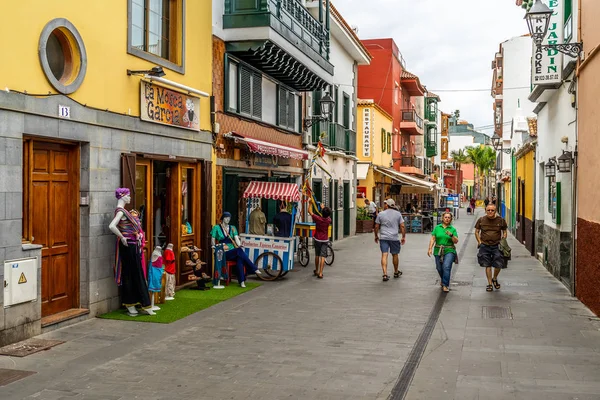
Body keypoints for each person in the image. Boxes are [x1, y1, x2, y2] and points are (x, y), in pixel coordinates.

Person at [108, 188, 154, 316]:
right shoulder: (121, 212)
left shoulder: (124, 212)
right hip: (128, 245)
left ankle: (139, 303)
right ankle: (135, 304)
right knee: (132, 274)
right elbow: (111, 226)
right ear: (122, 196)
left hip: (132, 245)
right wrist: (122, 237)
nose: (130, 198)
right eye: (127, 195)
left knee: (134, 273)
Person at [211, 212, 261, 288]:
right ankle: (253, 268)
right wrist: (214, 246)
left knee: (240, 258)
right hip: (223, 252)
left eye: (229, 218)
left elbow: (236, 238)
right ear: (222, 218)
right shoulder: (216, 228)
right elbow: (213, 239)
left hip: (233, 251)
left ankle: (242, 281)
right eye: (226, 217)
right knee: (239, 251)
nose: (228, 219)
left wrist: (239, 244)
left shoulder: (233, 228)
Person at [475, 203, 508, 292]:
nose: (490, 212)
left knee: (498, 264)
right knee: (487, 264)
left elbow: (504, 231)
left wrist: (503, 240)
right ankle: (490, 283)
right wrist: (479, 241)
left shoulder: (501, 220)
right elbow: (477, 231)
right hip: (484, 245)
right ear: (485, 210)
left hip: (497, 245)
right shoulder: (481, 220)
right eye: (488, 210)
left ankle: (494, 278)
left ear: (495, 211)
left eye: (492, 210)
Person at [374, 199, 406, 281]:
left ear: (387, 205)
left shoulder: (381, 214)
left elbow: (376, 226)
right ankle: (395, 272)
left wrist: (376, 236)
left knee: (384, 255)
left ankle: (385, 274)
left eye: (385, 204)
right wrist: (403, 236)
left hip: (384, 238)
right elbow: (402, 226)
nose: (384, 205)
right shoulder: (398, 214)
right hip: (394, 238)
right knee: (395, 254)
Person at [427, 212, 459, 292]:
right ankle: (443, 278)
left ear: (451, 219)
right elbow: (433, 238)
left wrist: (451, 235)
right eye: (445, 217)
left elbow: (456, 241)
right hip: (438, 250)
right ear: (442, 218)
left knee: (446, 267)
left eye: (449, 217)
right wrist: (430, 248)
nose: (447, 219)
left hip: (449, 250)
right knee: (439, 267)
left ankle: (445, 285)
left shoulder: (452, 229)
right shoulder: (437, 228)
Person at [308, 202, 331, 279]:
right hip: (325, 239)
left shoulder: (318, 219)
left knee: (317, 255)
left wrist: (310, 203)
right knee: (323, 256)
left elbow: (309, 211)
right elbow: (325, 215)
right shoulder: (328, 220)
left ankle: (317, 270)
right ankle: (321, 273)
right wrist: (323, 208)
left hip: (317, 238)